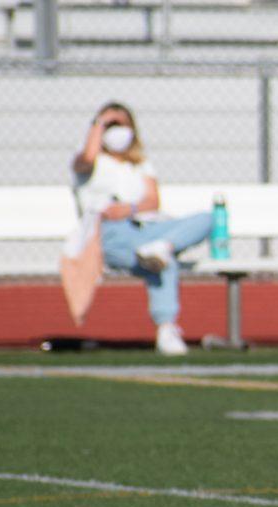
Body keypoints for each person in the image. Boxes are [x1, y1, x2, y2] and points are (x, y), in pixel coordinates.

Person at [71, 102, 212, 355]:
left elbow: (152, 201)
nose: (116, 131)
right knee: (160, 262)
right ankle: (166, 326)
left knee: (207, 219)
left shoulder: (140, 164)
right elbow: (88, 158)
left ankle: (163, 246)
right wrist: (101, 122)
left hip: (147, 228)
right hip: (108, 234)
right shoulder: (87, 162)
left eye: (121, 125)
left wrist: (130, 208)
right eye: (110, 125)